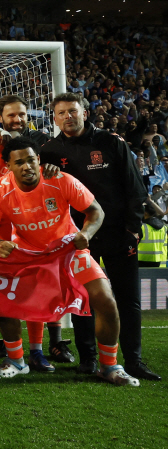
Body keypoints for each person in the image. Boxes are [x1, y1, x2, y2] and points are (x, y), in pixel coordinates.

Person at [0, 137, 141, 386]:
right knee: (4, 301)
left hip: (67, 252)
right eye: (19, 162)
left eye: (31, 160)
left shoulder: (60, 180)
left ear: (38, 160)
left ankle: (109, 367)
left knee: (106, 300)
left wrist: (86, 233)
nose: (27, 166)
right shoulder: (0, 190)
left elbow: (96, 211)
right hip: (28, 255)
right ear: (8, 166)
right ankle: (16, 362)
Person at [40, 93, 161, 381]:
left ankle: (133, 360)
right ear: (54, 118)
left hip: (119, 233)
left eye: (72, 111)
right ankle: (88, 359)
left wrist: (132, 228)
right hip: (78, 238)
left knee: (127, 299)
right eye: (61, 113)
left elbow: (135, 188)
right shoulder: (49, 151)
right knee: (83, 298)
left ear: (84, 113)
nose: (67, 116)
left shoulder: (111, 142)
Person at [0, 93, 71, 363]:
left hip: (37, 220)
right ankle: (2, 345)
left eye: (22, 115)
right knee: (9, 290)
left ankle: (53, 344)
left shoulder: (41, 142)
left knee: (48, 288)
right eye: (11, 115)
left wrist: (48, 167)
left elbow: (53, 171)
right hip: (0, 216)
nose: (17, 120)